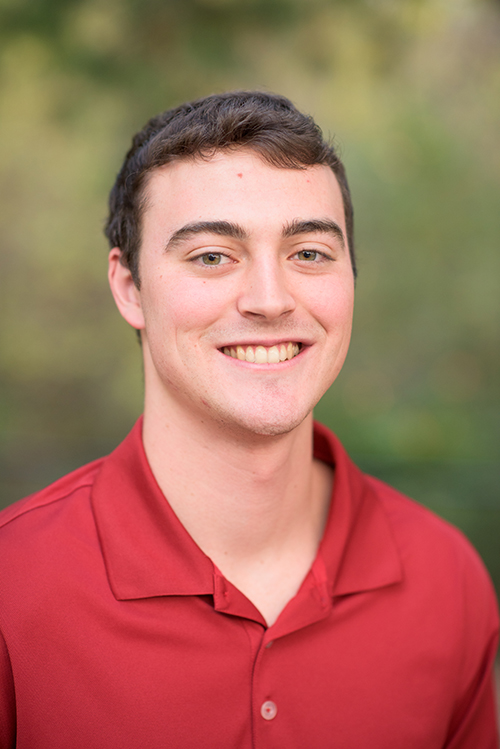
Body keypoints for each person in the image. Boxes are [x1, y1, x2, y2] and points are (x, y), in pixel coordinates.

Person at [0, 91, 498, 749]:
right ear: (129, 287)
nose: (270, 299)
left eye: (310, 253)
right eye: (212, 255)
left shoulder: (446, 578)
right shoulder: (14, 586)